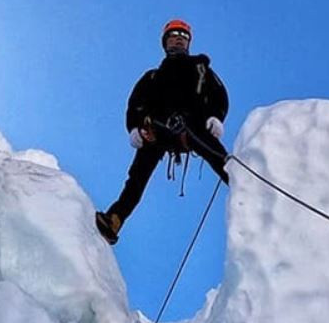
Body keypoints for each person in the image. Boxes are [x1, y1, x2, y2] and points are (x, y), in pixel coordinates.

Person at [96, 19, 230, 245]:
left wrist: (216, 116)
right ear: (165, 41)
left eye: (183, 36)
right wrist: (135, 128)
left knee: (215, 154)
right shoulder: (152, 77)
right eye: (174, 34)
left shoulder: (201, 69)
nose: (179, 38)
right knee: (137, 176)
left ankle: (241, 180)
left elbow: (219, 95)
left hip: (191, 125)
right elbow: (135, 104)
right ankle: (115, 218)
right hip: (157, 130)